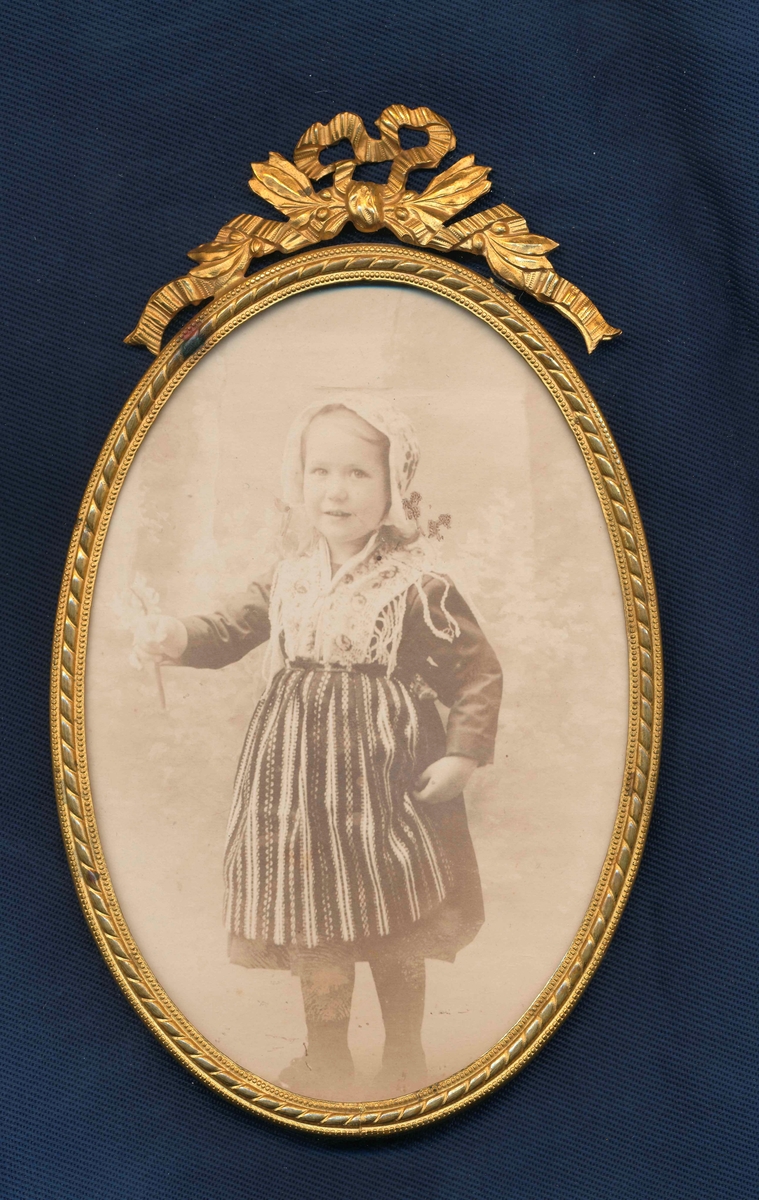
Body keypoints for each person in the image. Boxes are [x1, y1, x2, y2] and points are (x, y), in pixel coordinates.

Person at [133, 399, 502, 1100]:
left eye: (358, 473)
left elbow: (477, 673)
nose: (336, 490)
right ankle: (327, 1056)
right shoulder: (288, 576)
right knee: (313, 909)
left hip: (384, 777)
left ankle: (404, 1053)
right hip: (295, 784)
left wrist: (461, 754)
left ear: (394, 486)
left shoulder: (418, 585)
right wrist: (175, 635)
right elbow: (229, 629)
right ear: (297, 479)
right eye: (320, 471)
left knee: (396, 908)